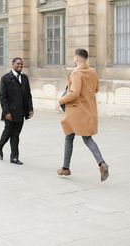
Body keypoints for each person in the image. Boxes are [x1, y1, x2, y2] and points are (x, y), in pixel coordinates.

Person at [57, 49, 109, 182]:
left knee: (69, 136)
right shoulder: (92, 71)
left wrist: (60, 101)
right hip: (88, 110)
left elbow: (74, 93)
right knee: (87, 139)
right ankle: (101, 163)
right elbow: (96, 89)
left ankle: (65, 167)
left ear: (76, 58)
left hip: (76, 111)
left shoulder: (76, 73)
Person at [0, 57, 34, 165]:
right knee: (7, 133)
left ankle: (14, 157)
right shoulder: (5, 78)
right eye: (18, 64)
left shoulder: (25, 77)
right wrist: (6, 112)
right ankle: (0, 146)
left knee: (16, 135)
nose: (20, 66)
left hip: (21, 112)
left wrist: (30, 109)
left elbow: (28, 95)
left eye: (21, 64)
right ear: (13, 64)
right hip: (10, 112)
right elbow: (2, 97)